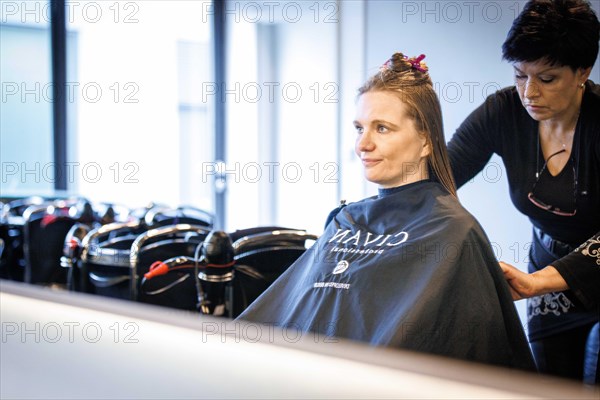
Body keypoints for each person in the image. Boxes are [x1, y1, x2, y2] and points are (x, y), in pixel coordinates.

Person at [236, 52, 536, 372]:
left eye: (382, 128)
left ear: (425, 141)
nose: (362, 144)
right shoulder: (345, 221)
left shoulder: (455, 232)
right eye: (358, 128)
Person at [446, 0, 600, 384]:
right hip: (549, 276)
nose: (529, 92)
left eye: (547, 79)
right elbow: (440, 178)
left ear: (583, 71)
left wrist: (539, 282)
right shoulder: (504, 111)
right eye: (519, 75)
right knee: (551, 387)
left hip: (569, 275)